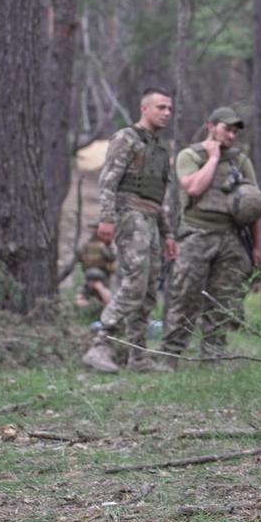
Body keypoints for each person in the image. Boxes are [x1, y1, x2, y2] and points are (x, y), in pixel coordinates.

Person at [81, 89, 179, 374]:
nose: (167, 113)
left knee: (148, 290)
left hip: (151, 221)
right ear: (144, 108)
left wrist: (169, 234)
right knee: (134, 283)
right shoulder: (126, 138)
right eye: (161, 107)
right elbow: (108, 180)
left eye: (169, 109)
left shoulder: (159, 151)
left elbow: (158, 198)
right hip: (129, 216)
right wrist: (107, 218)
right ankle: (100, 345)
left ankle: (138, 356)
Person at [160, 107, 261, 363]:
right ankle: (169, 356)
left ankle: (213, 357)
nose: (231, 135)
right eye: (226, 129)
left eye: (235, 132)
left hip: (230, 238)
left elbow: (253, 205)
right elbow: (194, 188)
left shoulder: (241, 161)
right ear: (211, 126)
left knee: (222, 303)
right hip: (195, 235)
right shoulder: (190, 155)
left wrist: (256, 248)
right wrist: (213, 158)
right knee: (185, 298)